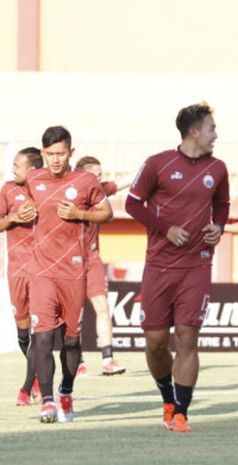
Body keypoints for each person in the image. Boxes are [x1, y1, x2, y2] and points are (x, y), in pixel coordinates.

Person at [125, 102, 230, 433]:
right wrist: (165, 228)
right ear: (194, 131)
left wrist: (219, 226)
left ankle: (181, 413)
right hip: (159, 265)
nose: (216, 134)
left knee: (187, 337)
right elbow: (131, 204)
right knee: (156, 342)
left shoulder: (219, 168)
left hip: (197, 264)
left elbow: (223, 205)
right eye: (212, 128)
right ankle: (167, 397)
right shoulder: (157, 163)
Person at [26, 126, 113, 423]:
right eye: (49, 154)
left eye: (60, 154)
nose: (54, 160)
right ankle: (48, 401)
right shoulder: (33, 178)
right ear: (42, 154)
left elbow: (107, 212)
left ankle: (66, 390)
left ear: (71, 153)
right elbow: (22, 202)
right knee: (42, 337)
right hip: (40, 271)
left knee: (72, 341)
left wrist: (80, 215)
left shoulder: (86, 181)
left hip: (74, 272)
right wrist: (20, 214)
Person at [74, 155, 131, 376]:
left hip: (93, 259)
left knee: (103, 308)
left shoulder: (99, 191)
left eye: (101, 176)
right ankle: (76, 360)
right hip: (69, 262)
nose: (99, 180)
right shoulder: (67, 192)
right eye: (95, 175)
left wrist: (152, 165)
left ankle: (108, 359)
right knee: (74, 313)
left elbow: (127, 182)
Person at [0, 147, 43, 405]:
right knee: (23, 334)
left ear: (32, 170)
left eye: (17, 165)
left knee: (40, 332)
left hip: (42, 269)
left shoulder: (46, 189)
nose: (13, 169)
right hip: (16, 269)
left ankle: (27, 387)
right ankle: (36, 378)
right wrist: (14, 217)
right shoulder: (7, 189)